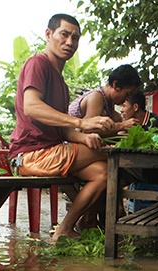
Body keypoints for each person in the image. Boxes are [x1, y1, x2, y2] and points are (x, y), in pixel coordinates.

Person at [8, 13, 114, 241]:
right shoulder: (38, 63)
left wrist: (82, 137)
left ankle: (65, 228)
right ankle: (89, 221)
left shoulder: (62, 85)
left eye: (75, 38)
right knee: (112, 157)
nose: (70, 42)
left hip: (52, 150)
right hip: (30, 155)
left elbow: (60, 129)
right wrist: (81, 123)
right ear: (49, 34)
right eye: (64, 35)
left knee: (103, 173)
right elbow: (32, 106)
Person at [68, 64, 142, 137]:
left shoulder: (109, 104)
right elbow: (87, 131)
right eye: (127, 94)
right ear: (115, 85)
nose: (128, 98)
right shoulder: (96, 97)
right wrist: (122, 125)